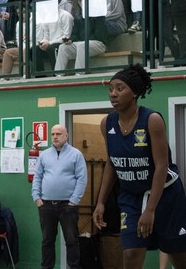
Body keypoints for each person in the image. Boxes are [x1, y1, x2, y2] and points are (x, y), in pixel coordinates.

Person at [93, 65, 186, 269]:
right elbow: (112, 163)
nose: (113, 94)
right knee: (131, 255)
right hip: (131, 197)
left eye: (119, 88)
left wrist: (151, 209)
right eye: (110, 89)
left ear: (134, 92)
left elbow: (161, 166)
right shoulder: (106, 123)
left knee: (179, 257)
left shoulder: (151, 120)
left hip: (166, 195)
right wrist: (100, 202)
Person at [31, 125, 88, 269]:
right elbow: (37, 176)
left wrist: (74, 200)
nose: (55, 136)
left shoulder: (76, 154)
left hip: (67, 206)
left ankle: (74, 267)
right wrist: (36, 198)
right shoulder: (44, 155)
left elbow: (82, 179)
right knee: (47, 241)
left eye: (58, 134)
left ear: (66, 136)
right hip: (46, 205)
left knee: (71, 240)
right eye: (53, 134)